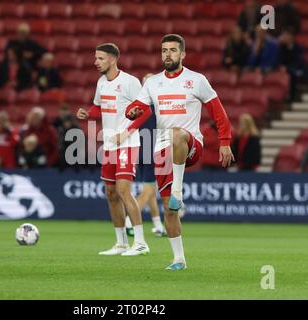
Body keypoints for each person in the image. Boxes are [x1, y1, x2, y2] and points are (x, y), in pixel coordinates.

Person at [125, 34, 234, 270]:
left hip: (190, 144)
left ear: (183, 54)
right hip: (162, 151)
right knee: (169, 210)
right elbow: (137, 107)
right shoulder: (152, 82)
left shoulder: (197, 80)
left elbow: (218, 112)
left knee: (177, 133)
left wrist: (225, 141)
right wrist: (131, 112)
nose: (168, 54)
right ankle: (178, 259)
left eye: (173, 50)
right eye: (164, 50)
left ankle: (178, 189)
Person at [76, 43, 149, 256]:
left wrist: (127, 132)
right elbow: (100, 106)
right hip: (109, 144)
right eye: (95, 58)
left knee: (124, 190)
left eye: (100, 58)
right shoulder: (101, 83)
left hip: (127, 143)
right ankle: (121, 243)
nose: (95, 62)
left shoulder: (130, 82)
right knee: (111, 193)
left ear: (113, 59)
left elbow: (145, 111)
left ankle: (142, 242)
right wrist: (88, 113)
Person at [125, 73, 165, 238]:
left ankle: (158, 226)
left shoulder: (137, 105)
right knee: (149, 191)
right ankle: (129, 221)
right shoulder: (158, 103)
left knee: (149, 188)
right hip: (152, 150)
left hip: (138, 150)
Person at [278, 29, 307, 101]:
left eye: (285, 35)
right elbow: (280, 60)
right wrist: (281, 66)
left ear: (291, 37)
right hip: (285, 70)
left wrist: (287, 68)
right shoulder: (282, 48)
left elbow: (299, 62)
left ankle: (291, 97)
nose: (284, 37)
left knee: (292, 75)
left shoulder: (298, 48)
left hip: (297, 69)